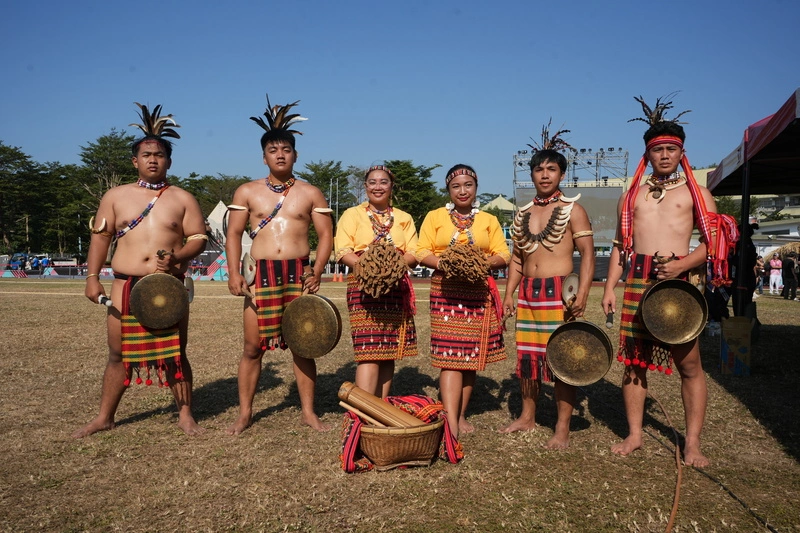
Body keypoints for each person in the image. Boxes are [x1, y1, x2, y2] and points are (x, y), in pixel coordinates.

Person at [601, 95, 737, 467]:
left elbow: (715, 244)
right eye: (657, 149)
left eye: (670, 149)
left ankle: (691, 443)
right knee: (633, 362)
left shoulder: (698, 194)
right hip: (638, 280)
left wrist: (681, 266)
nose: (664, 156)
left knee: (689, 364)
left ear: (681, 154)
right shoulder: (632, 196)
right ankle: (635, 434)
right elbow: (619, 245)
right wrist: (611, 286)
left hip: (679, 281)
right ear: (648, 154)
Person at [73, 103, 207, 438]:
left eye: (159, 155)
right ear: (135, 161)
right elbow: (100, 238)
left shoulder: (182, 198)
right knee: (117, 352)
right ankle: (105, 416)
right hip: (125, 284)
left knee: (176, 351)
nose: (152, 159)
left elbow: (199, 238)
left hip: (169, 283)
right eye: (146, 154)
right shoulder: (115, 197)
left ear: (169, 161)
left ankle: (186, 414)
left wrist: (177, 257)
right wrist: (92, 278)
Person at [225, 95, 333, 434]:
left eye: (286, 150)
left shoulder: (311, 192)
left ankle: (308, 412)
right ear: (264, 156)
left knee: (304, 345)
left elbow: (326, 237)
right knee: (252, 347)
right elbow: (233, 235)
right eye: (273, 150)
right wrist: (233, 272)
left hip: (299, 274)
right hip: (261, 276)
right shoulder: (247, 192)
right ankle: (245, 413)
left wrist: (316, 271)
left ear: (295, 154)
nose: (280, 155)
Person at [500, 127, 595, 449]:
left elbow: (588, 255)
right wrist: (508, 293)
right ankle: (527, 417)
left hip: (559, 294)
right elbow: (516, 258)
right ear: (532, 175)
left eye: (551, 169)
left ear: (562, 174)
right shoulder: (523, 214)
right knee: (527, 361)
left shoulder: (574, 210)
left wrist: (582, 294)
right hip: (528, 292)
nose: (544, 174)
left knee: (561, 361)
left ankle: (562, 427)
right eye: (539, 169)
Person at [416, 164, 510, 438]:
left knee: (469, 356)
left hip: (477, 292)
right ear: (448, 189)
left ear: (476, 187)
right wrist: (448, 262)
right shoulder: (435, 217)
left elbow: (502, 253)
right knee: (450, 357)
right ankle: (450, 420)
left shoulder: (489, 220)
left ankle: (460, 413)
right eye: (456, 186)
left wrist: (479, 262)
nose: (462, 190)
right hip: (446, 290)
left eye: (468, 185)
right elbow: (422, 251)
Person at [334, 165, 419, 398]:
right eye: (372, 182)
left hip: (395, 286)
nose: (378, 187)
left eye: (383, 182)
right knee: (368, 350)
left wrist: (393, 266)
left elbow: (414, 251)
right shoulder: (353, 214)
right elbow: (342, 249)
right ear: (365, 187)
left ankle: (381, 408)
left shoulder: (404, 218)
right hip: (363, 286)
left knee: (388, 350)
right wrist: (369, 268)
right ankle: (363, 411)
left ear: (391, 187)